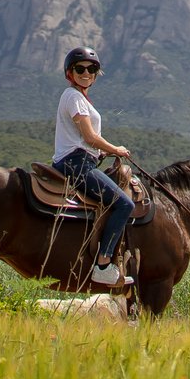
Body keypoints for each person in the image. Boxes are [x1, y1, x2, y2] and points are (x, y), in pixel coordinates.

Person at [52, 46, 135, 286]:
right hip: (76, 164)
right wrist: (116, 150)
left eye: (92, 69)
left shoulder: (80, 98)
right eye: (80, 69)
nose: (86, 73)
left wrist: (102, 151)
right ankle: (103, 264)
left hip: (82, 161)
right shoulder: (73, 97)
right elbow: (89, 136)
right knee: (124, 204)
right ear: (70, 72)